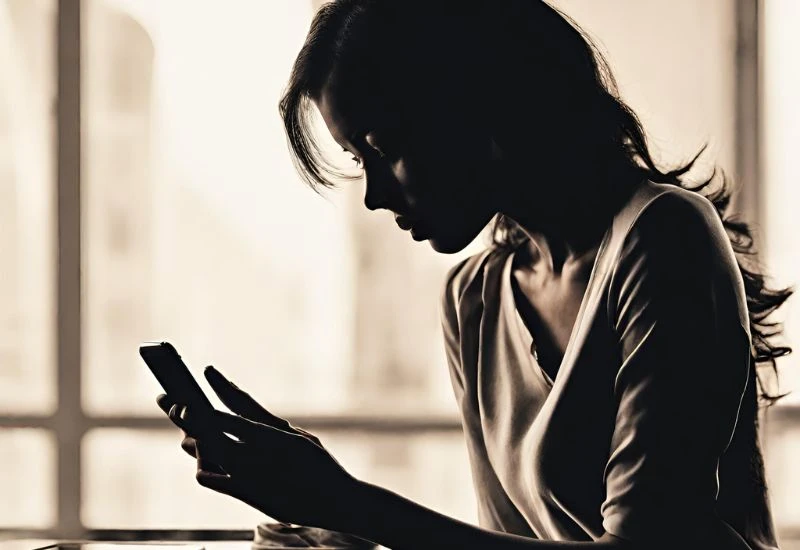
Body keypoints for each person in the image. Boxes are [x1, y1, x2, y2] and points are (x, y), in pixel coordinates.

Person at [156, 1, 794, 548]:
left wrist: (346, 503)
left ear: (471, 103)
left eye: (384, 148)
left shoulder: (665, 237)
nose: (374, 195)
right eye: (357, 159)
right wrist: (334, 523)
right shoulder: (474, 298)